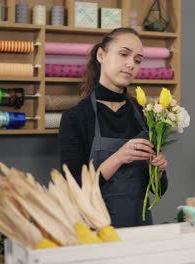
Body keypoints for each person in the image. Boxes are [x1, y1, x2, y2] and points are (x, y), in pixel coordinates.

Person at [59, 27, 168, 228]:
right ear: (101, 55)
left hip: (141, 229)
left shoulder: (144, 115)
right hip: (96, 234)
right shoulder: (76, 117)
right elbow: (72, 189)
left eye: (137, 60)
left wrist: (159, 170)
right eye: (124, 54)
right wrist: (118, 158)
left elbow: (159, 190)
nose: (130, 65)